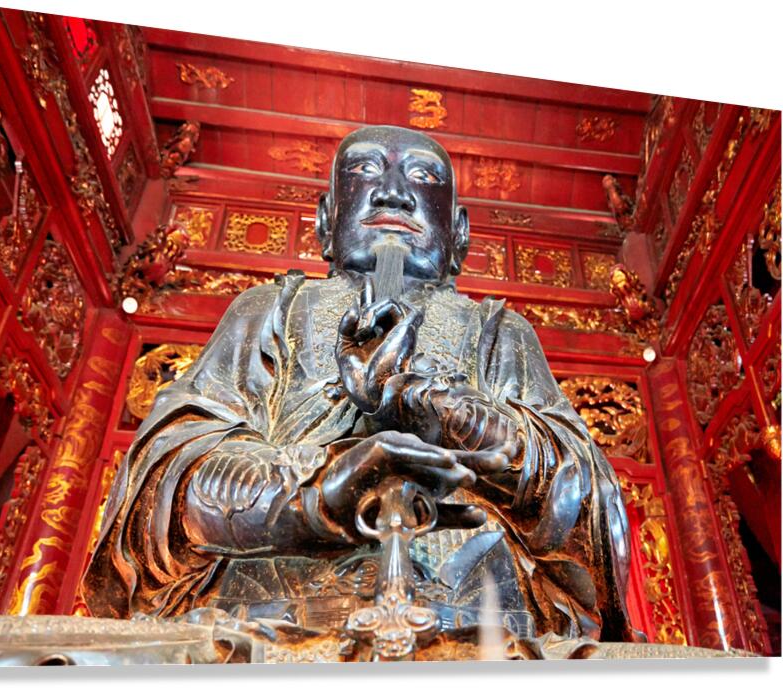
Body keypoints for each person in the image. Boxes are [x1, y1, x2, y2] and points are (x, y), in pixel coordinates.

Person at [83, 125, 637, 643]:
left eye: (422, 176)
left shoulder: (498, 333)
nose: (393, 194)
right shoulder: (269, 311)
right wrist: (313, 493)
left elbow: (589, 503)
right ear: (326, 220)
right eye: (366, 171)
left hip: (476, 625)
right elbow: (164, 478)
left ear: (459, 233)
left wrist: (441, 408)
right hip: (268, 619)